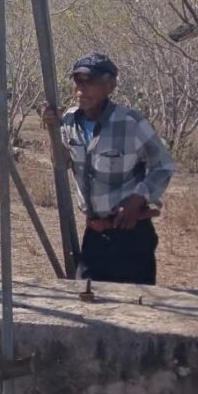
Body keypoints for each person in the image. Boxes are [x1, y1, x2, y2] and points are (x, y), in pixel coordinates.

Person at [42, 53, 175, 284]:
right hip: (94, 235)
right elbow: (61, 164)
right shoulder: (69, 121)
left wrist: (138, 198)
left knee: (134, 308)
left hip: (131, 236)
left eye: (90, 82)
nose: (82, 89)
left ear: (110, 85)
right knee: (88, 302)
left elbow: (163, 166)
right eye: (78, 82)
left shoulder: (130, 122)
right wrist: (52, 130)